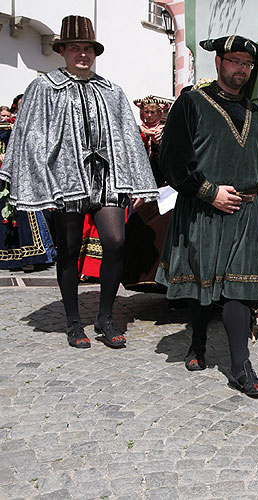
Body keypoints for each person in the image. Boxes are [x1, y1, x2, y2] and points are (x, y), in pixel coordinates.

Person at [156, 35, 258, 396]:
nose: (241, 69)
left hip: (245, 210)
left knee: (241, 288)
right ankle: (196, 342)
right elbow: (172, 159)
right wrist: (209, 192)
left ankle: (240, 366)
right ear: (219, 62)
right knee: (202, 282)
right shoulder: (191, 103)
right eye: (235, 61)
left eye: (247, 64)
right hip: (202, 207)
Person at [0, 15, 158, 349]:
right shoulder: (45, 87)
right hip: (67, 180)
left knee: (116, 242)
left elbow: (128, 136)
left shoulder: (111, 90)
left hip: (106, 178)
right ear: (63, 51)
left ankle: (104, 316)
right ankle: (74, 321)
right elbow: (31, 134)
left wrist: (137, 181)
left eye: (87, 48)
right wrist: (41, 175)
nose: (82, 54)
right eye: (75, 48)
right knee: (69, 250)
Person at [121, 96, 174, 292]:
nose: (149, 116)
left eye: (153, 113)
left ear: (160, 114)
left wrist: (159, 146)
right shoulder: (134, 132)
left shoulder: (168, 132)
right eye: (146, 112)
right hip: (136, 188)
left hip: (162, 188)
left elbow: (166, 168)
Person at [1, 101, 56, 271]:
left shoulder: (34, 127)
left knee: (31, 216)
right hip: (9, 179)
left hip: (27, 179)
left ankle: (34, 257)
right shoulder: (8, 128)